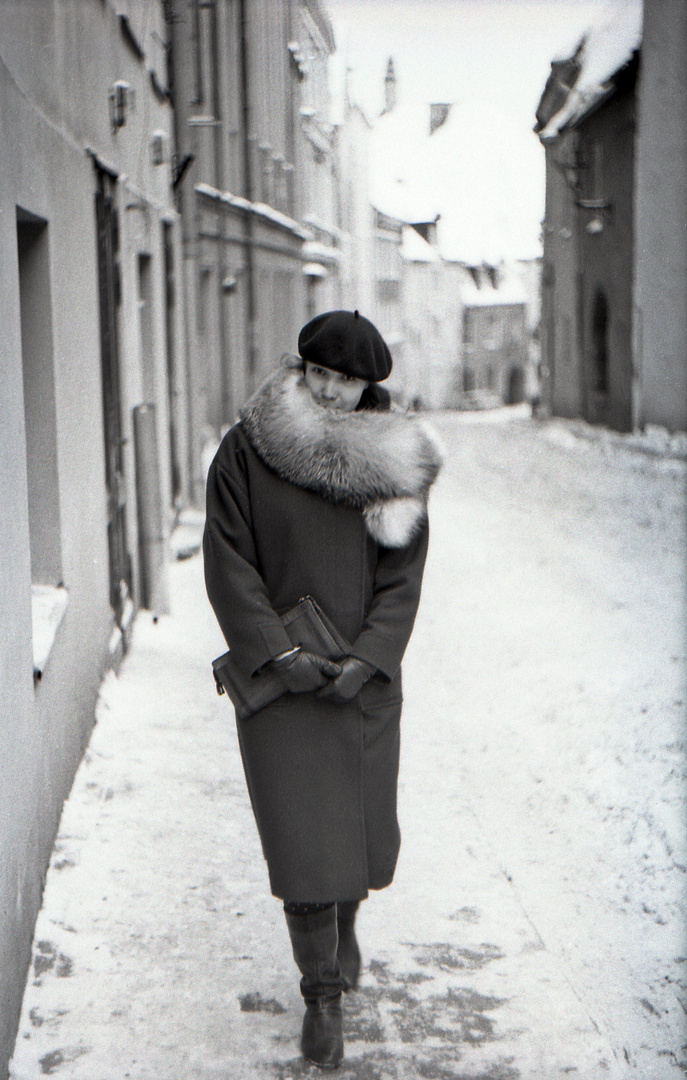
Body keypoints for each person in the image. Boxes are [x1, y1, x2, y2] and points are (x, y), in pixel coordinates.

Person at [203, 310, 442, 1069]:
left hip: (360, 685)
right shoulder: (246, 451)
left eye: (344, 378)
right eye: (316, 372)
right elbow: (227, 559)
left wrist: (369, 658)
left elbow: (401, 579)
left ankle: (343, 929)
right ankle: (321, 998)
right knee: (300, 845)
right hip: (280, 687)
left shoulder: (396, 465)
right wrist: (277, 653)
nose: (329, 389)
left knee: (358, 838)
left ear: (370, 383)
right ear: (298, 367)